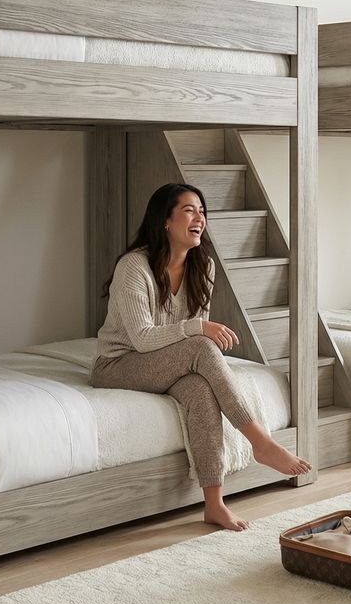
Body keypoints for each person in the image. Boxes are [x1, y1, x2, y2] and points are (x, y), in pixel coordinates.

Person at [90, 182, 311, 531]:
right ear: (165, 220)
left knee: (200, 390)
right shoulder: (134, 267)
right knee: (201, 345)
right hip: (119, 364)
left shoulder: (202, 266)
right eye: (189, 210)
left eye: (202, 211)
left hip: (167, 362)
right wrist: (197, 329)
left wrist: (196, 330)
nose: (200, 218)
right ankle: (260, 441)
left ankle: (214, 503)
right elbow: (144, 339)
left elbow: (190, 336)